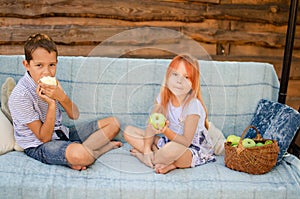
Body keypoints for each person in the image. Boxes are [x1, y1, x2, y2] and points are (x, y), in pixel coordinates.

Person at [8, 33, 122, 171]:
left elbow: (75, 115)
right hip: (39, 145)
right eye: (39, 65)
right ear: (27, 65)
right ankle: (99, 149)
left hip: (61, 133)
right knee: (82, 155)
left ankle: (82, 153)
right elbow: (44, 138)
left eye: (51, 65)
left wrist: (61, 96)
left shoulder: (53, 82)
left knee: (113, 123)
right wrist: (51, 104)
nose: (47, 72)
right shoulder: (20, 95)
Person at [124, 54, 215, 174]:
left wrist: (165, 131)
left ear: (193, 83)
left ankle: (153, 159)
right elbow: (151, 126)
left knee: (171, 150)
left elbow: (186, 141)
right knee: (129, 131)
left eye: (186, 77)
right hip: (169, 142)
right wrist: (146, 150)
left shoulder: (193, 105)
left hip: (191, 148)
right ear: (168, 77)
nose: (179, 81)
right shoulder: (163, 98)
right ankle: (159, 159)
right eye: (175, 74)